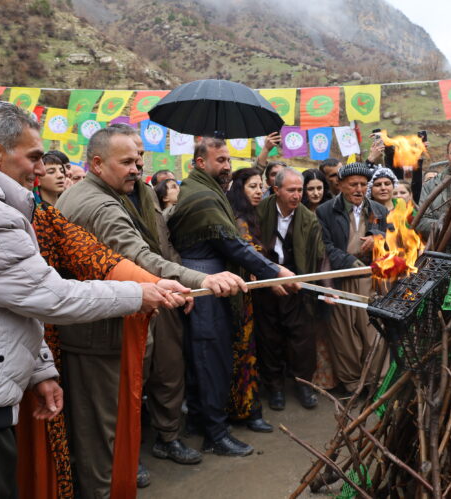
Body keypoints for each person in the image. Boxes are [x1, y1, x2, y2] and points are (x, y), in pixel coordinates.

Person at [0, 102, 185, 498]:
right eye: (35, 157)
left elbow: (1, 302)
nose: (43, 168)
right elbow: (48, 295)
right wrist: (139, 293)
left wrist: (39, 370)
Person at [56, 126, 245, 493]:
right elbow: (138, 257)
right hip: (98, 331)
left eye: (139, 158)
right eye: (127, 161)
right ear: (97, 163)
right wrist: (201, 279)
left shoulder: (130, 193)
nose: (137, 167)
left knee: (135, 401)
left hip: (129, 312)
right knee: (102, 428)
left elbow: (160, 245)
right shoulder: (98, 204)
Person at [167, 137, 296, 457]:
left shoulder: (206, 189)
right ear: (200, 163)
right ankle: (215, 434)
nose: (227, 166)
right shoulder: (202, 196)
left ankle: (201, 422)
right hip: (205, 287)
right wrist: (275, 271)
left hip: (212, 282)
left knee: (206, 359)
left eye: (228, 160)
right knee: (210, 360)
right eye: (220, 160)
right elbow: (231, 243)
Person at [254, 167, 325, 410]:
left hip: (297, 282)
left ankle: (303, 384)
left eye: (299, 190)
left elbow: (318, 255)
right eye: (291, 190)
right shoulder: (261, 211)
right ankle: (274, 387)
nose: (297, 195)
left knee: (302, 337)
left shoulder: (308, 218)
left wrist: (322, 287)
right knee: (269, 337)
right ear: (276, 190)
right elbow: (253, 247)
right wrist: (269, 278)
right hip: (265, 281)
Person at [316, 162, 389, 396]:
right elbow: (324, 246)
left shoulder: (378, 210)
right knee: (345, 337)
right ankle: (354, 386)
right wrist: (347, 261)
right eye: (353, 184)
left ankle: (378, 384)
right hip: (340, 277)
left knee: (373, 333)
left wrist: (377, 239)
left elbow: (388, 237)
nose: (359, 189)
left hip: (369, 278)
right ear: (340, 185)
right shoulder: (325, 211)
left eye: (363, 184)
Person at [224, 168, 271, 432]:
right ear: (239, 189)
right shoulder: (238, 219)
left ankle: (247, 408)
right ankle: (245, 410)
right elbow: (248, 254)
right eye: (253, 186)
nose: (259, 191)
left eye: (261, 186)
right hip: (237, 296)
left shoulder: (251, 216)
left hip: (248, 296)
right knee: (242, 352)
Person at [416, 137, 451, 239]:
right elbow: (420, 222)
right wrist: (446, 224)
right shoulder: (429, 187)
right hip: (440, 246)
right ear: (447, 156)